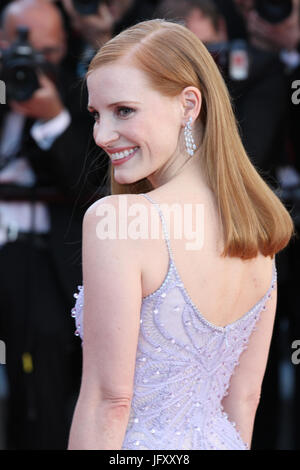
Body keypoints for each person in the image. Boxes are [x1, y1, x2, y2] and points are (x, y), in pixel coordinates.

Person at [67, 19, 294, 450]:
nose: (101, 135)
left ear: (189, 105)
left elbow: (108, 402)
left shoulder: (117, 221)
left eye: (124, 111)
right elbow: (244, 401)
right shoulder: (256, 229)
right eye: (97, 115)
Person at [0, 0, 106, 449]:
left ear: (66, 48)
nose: (32, 61)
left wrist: (52, 118)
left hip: (42, 259)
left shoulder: (80, 90)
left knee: (41, 380)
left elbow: (90, 180)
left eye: (49, 51)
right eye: (21, 47)